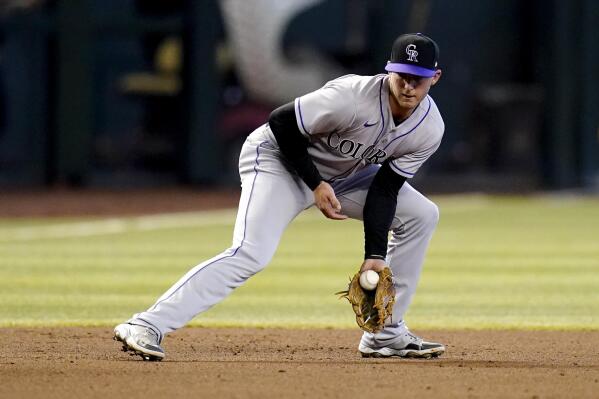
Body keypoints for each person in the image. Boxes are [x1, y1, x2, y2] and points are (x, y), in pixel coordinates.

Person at [114, 33, 446, 361]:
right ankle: (145, 325)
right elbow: (281, 122)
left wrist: (375, 254)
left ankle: (384, 334)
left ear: (435, 78)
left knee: (422, 214)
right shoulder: (351, 97)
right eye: (402, 75)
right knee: (251, 253)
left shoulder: (429, 128)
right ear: (389, 71)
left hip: (344, 176)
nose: (408, 86)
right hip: (278, 161)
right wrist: (316, 184)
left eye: (418, 78)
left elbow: (385, 188)